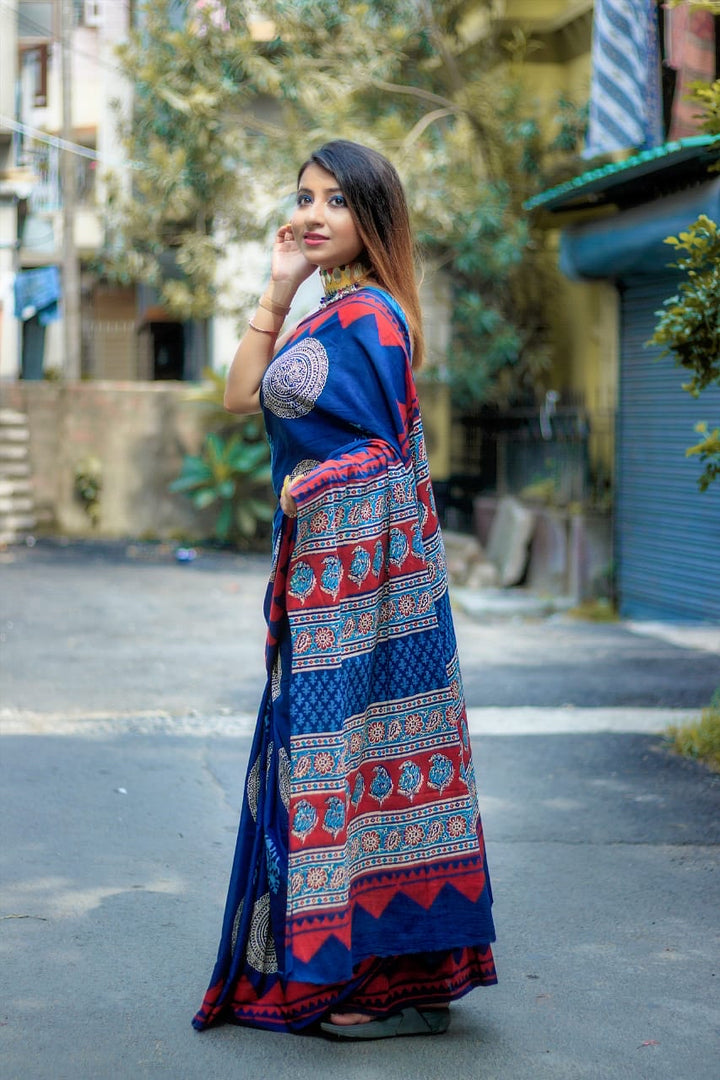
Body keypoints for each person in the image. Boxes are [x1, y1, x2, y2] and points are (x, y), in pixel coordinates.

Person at [192, 139, 496, 1041]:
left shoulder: (376, 319)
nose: (314, 212)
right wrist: (279, 284)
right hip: (329, 578)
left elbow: (380, 454)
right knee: (346, 766)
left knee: (354, 766)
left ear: (373, 215)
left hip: (366, 590)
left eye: (335, 199)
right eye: (304, 196)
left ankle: (383, 980)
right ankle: (401, 978)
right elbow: (240, 396)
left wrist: (314, 484)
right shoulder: (328, 312)